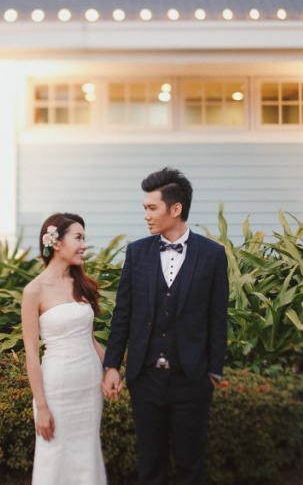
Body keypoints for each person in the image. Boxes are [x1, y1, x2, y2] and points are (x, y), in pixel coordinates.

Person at [101, 168, 229, 485]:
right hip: (145, 378)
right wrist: (112, 365)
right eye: (144, 208)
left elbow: (218, 317)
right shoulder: (137, 252)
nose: (145, 215)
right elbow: (123, 313)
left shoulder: (213, 255)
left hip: (192, 380)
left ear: (175, 209)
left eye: (151, 207)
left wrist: (213, 371)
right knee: (150, 468)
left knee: (190, 468)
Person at [21, 212, 107, 485]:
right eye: (78, 238)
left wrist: (112, 370)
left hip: (89, 387)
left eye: (84, 238)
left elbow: (90, 339)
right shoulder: (33, 291)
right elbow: (31, 354)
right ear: (56, 242)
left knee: (87, 456)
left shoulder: (82, 284)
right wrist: (42, 407)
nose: (84, 245)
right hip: (57, 391)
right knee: (54, 458)